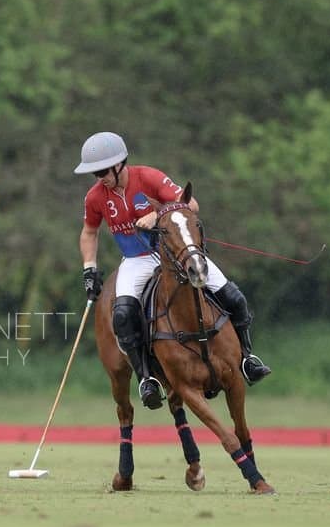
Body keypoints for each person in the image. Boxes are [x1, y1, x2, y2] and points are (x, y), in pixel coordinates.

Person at [75, 131, 270, 409]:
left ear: (119, 164)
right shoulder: (95, 197)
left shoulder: (148, 177)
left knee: (233, 297)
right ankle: (147, 379)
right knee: (122, 315)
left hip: (176, 254)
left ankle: (247, 359)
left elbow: (191, 204)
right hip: (136, 260)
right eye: (95, 173)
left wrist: (157, 215)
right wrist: (89, 269)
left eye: (103, 171)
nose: (100, 178)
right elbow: (89, 232)